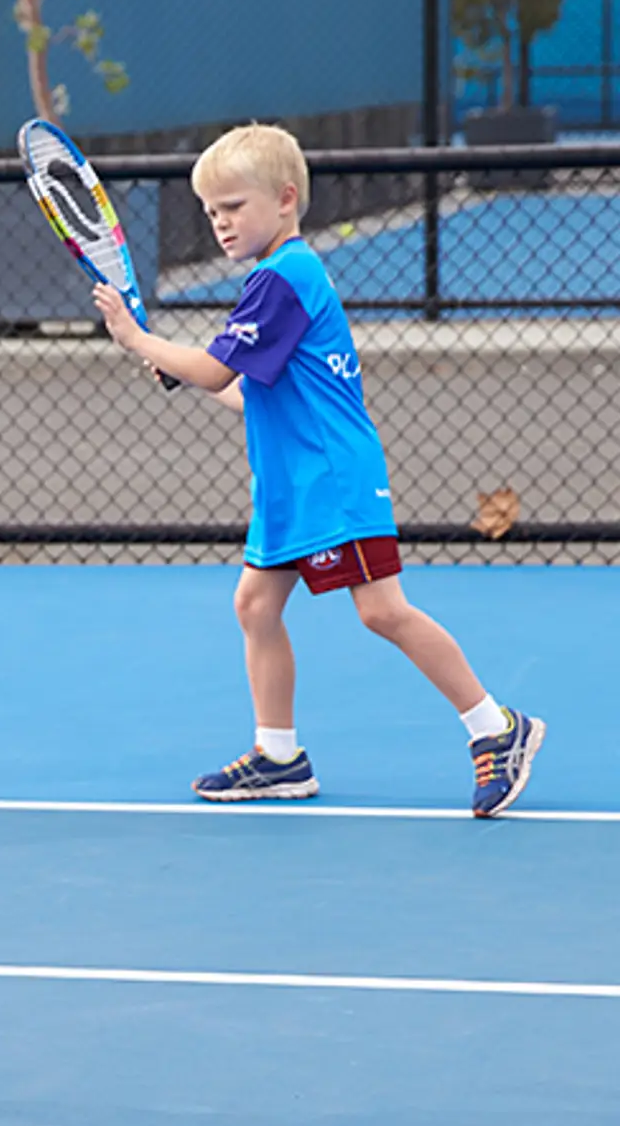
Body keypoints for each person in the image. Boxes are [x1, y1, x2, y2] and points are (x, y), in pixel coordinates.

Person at [90, 122, 543, 818]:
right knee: (256, 604)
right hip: (290, 486)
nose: (221, 223)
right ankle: (279, 757)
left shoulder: (286, 276)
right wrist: (178, 369)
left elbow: (212, 365)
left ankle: (497, 728)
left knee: (382, 612)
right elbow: (243, 389)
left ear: (286, 200)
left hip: (332, 479)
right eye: (211, 212)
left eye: (234, 207)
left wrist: (137, 338)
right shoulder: (272, 282)